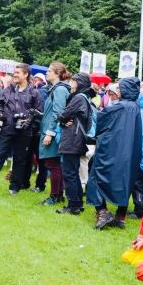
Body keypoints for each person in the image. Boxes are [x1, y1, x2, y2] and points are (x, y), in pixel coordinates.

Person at [86, 77, 143, 229]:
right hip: (129, 152)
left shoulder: (120, 107)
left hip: (112, 150)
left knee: (96, 177)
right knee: (125, 181)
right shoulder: (136, 107)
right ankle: (120, 216)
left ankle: (102, 212)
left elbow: (101, 120)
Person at [0, 64, 42, 196]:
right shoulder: (8, 90)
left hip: (24, 132)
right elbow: (0, 106)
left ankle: (14, 188)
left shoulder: (34, 93)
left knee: (19, 159)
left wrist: (28, 122)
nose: (15, 74)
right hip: (6, 129)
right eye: (14, 72)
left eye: (18, 72)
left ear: (26, 75)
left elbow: (39, 113)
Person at [55, 72, 94, 216]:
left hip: (73, 139)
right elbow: (66, 116)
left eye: (74, 81)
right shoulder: (84, 97)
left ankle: (73, 205)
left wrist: (62, 118)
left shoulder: (78, 97)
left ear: (80, 83)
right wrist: (64, 119)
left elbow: (63, 113)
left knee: (69, 173)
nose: (71, 83)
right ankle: (77, 203)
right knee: (74, 172)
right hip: (77, 139)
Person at [35, 62, 71, 206]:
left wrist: (50, 133)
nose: (46, 73)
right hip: (50, 129)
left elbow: (58, 112)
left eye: (49, 71)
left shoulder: (60, 89)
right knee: (54, 163)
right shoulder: (55, 89)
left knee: (53, 164)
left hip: (53, 131)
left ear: (57, 74)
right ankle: (58, 195)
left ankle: (54, 196)